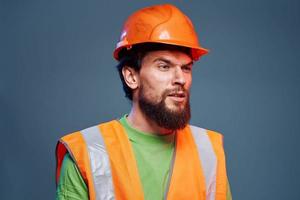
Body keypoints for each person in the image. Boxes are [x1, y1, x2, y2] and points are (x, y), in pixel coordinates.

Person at [56, 4, 232, 200]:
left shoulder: (208, 150)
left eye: (186, 68)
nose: (180, 79)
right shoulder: (86, 152)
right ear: (131, 76)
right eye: (164, 66)